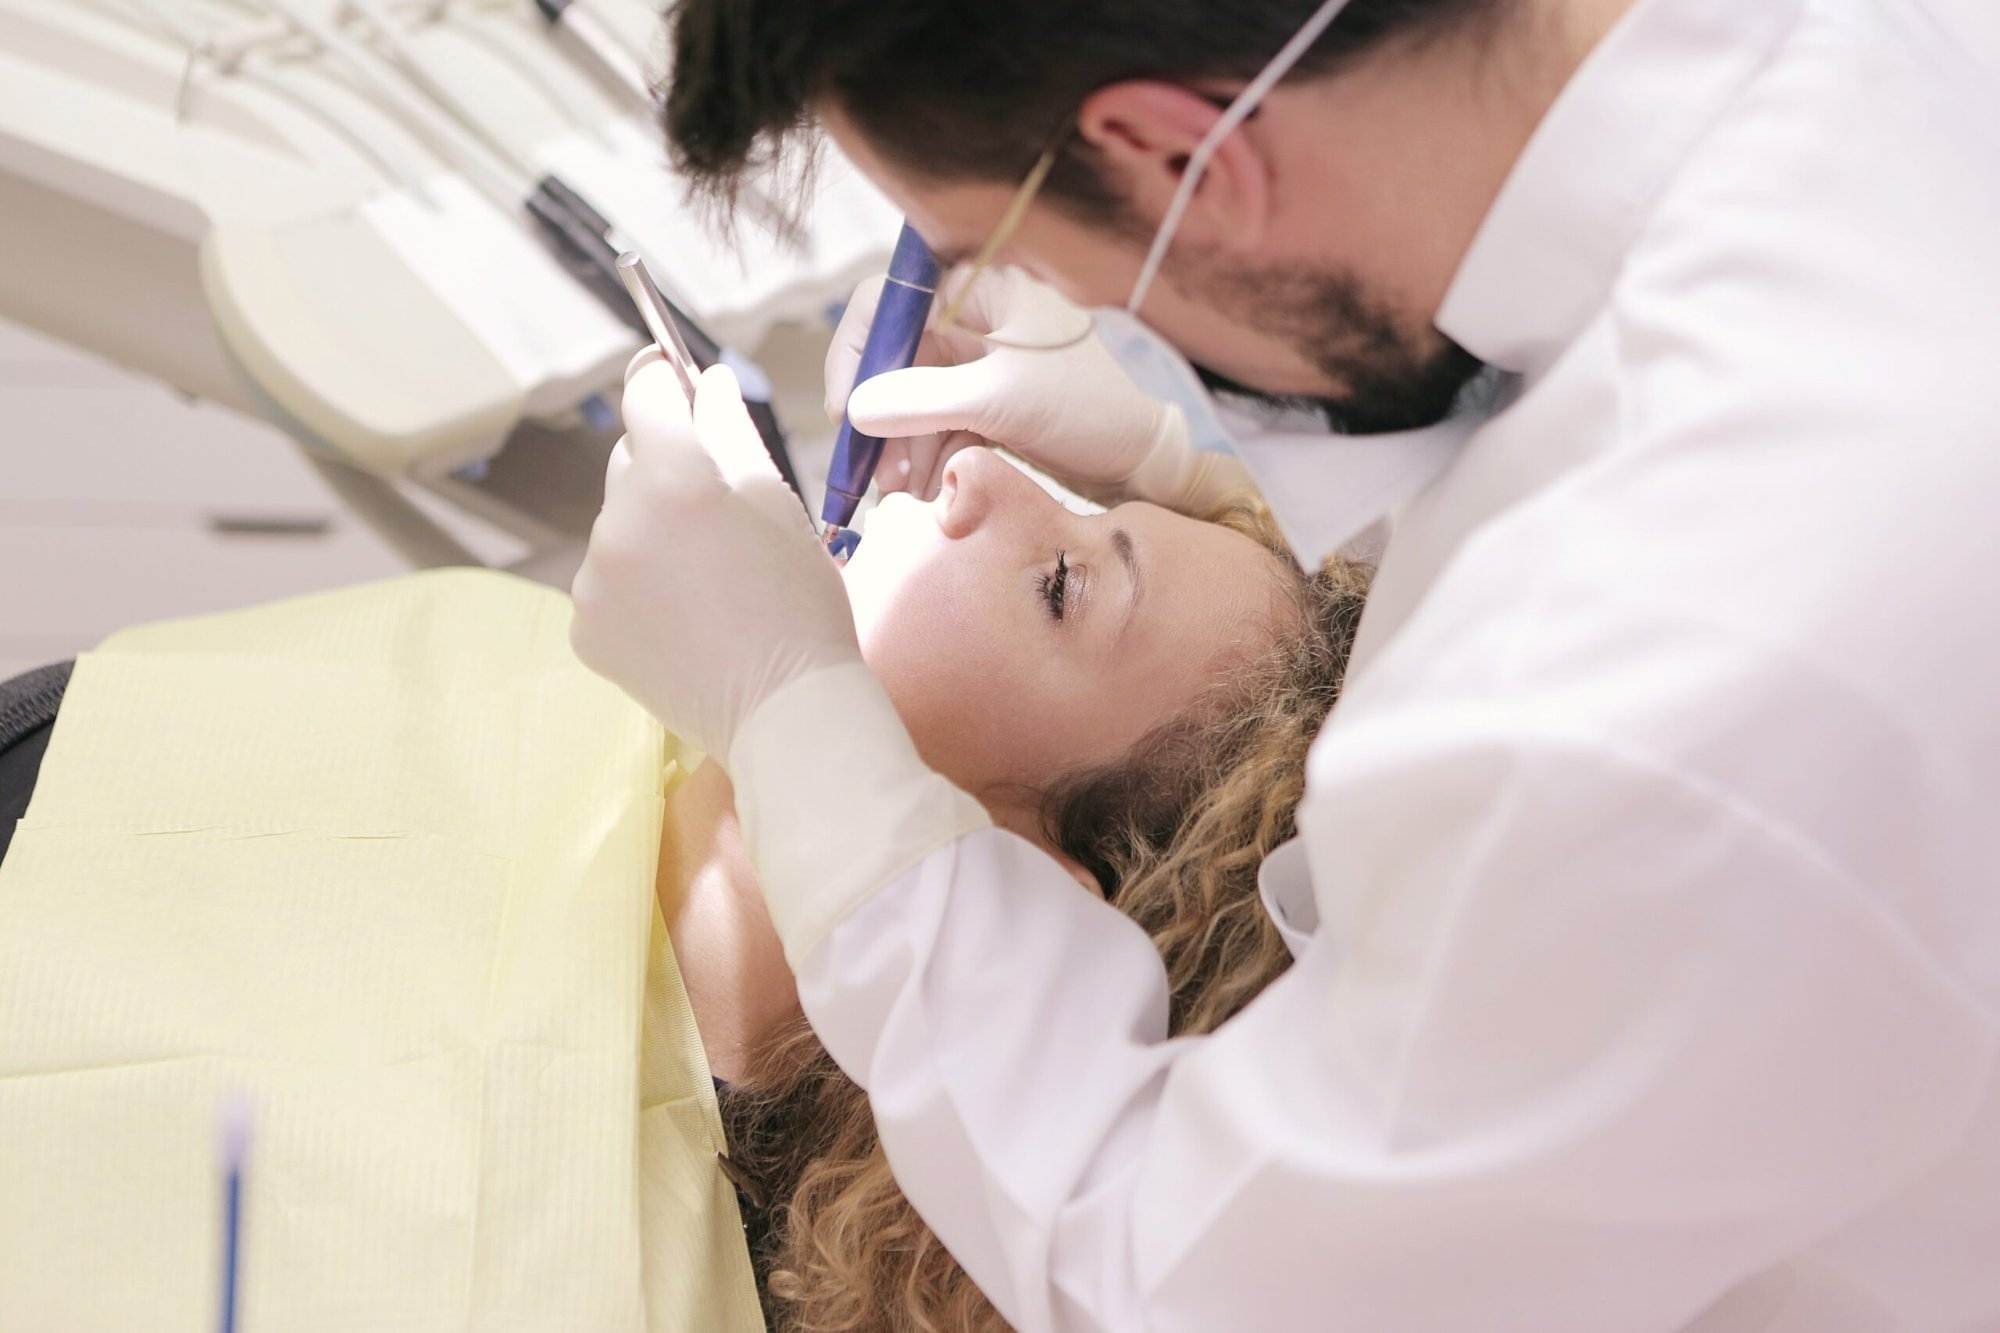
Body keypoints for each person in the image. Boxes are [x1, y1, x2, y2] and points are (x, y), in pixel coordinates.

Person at [566, 0, 2000, 1328]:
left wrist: (793, 708)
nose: (985, 470)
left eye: (1045, 252)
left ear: (1178, 150)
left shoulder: (1635, 707)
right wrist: (1184, 466)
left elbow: (1187, 1271)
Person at [0, 395, 1365, 1326]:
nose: (981, 472)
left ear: (1032, 897)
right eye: (1089, 492)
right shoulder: (511, 659)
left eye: (1062, 580)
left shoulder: (644, 1282)